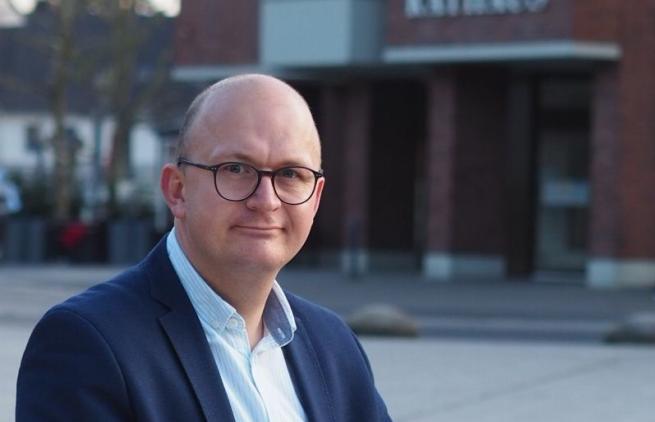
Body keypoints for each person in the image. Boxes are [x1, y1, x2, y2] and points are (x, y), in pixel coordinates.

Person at [17, 74, 392, 421]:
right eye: (236, 169)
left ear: (315, 199)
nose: (266, 200)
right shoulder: (87, 343)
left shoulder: (334, 345)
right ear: (177, 190)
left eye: (290, 174)